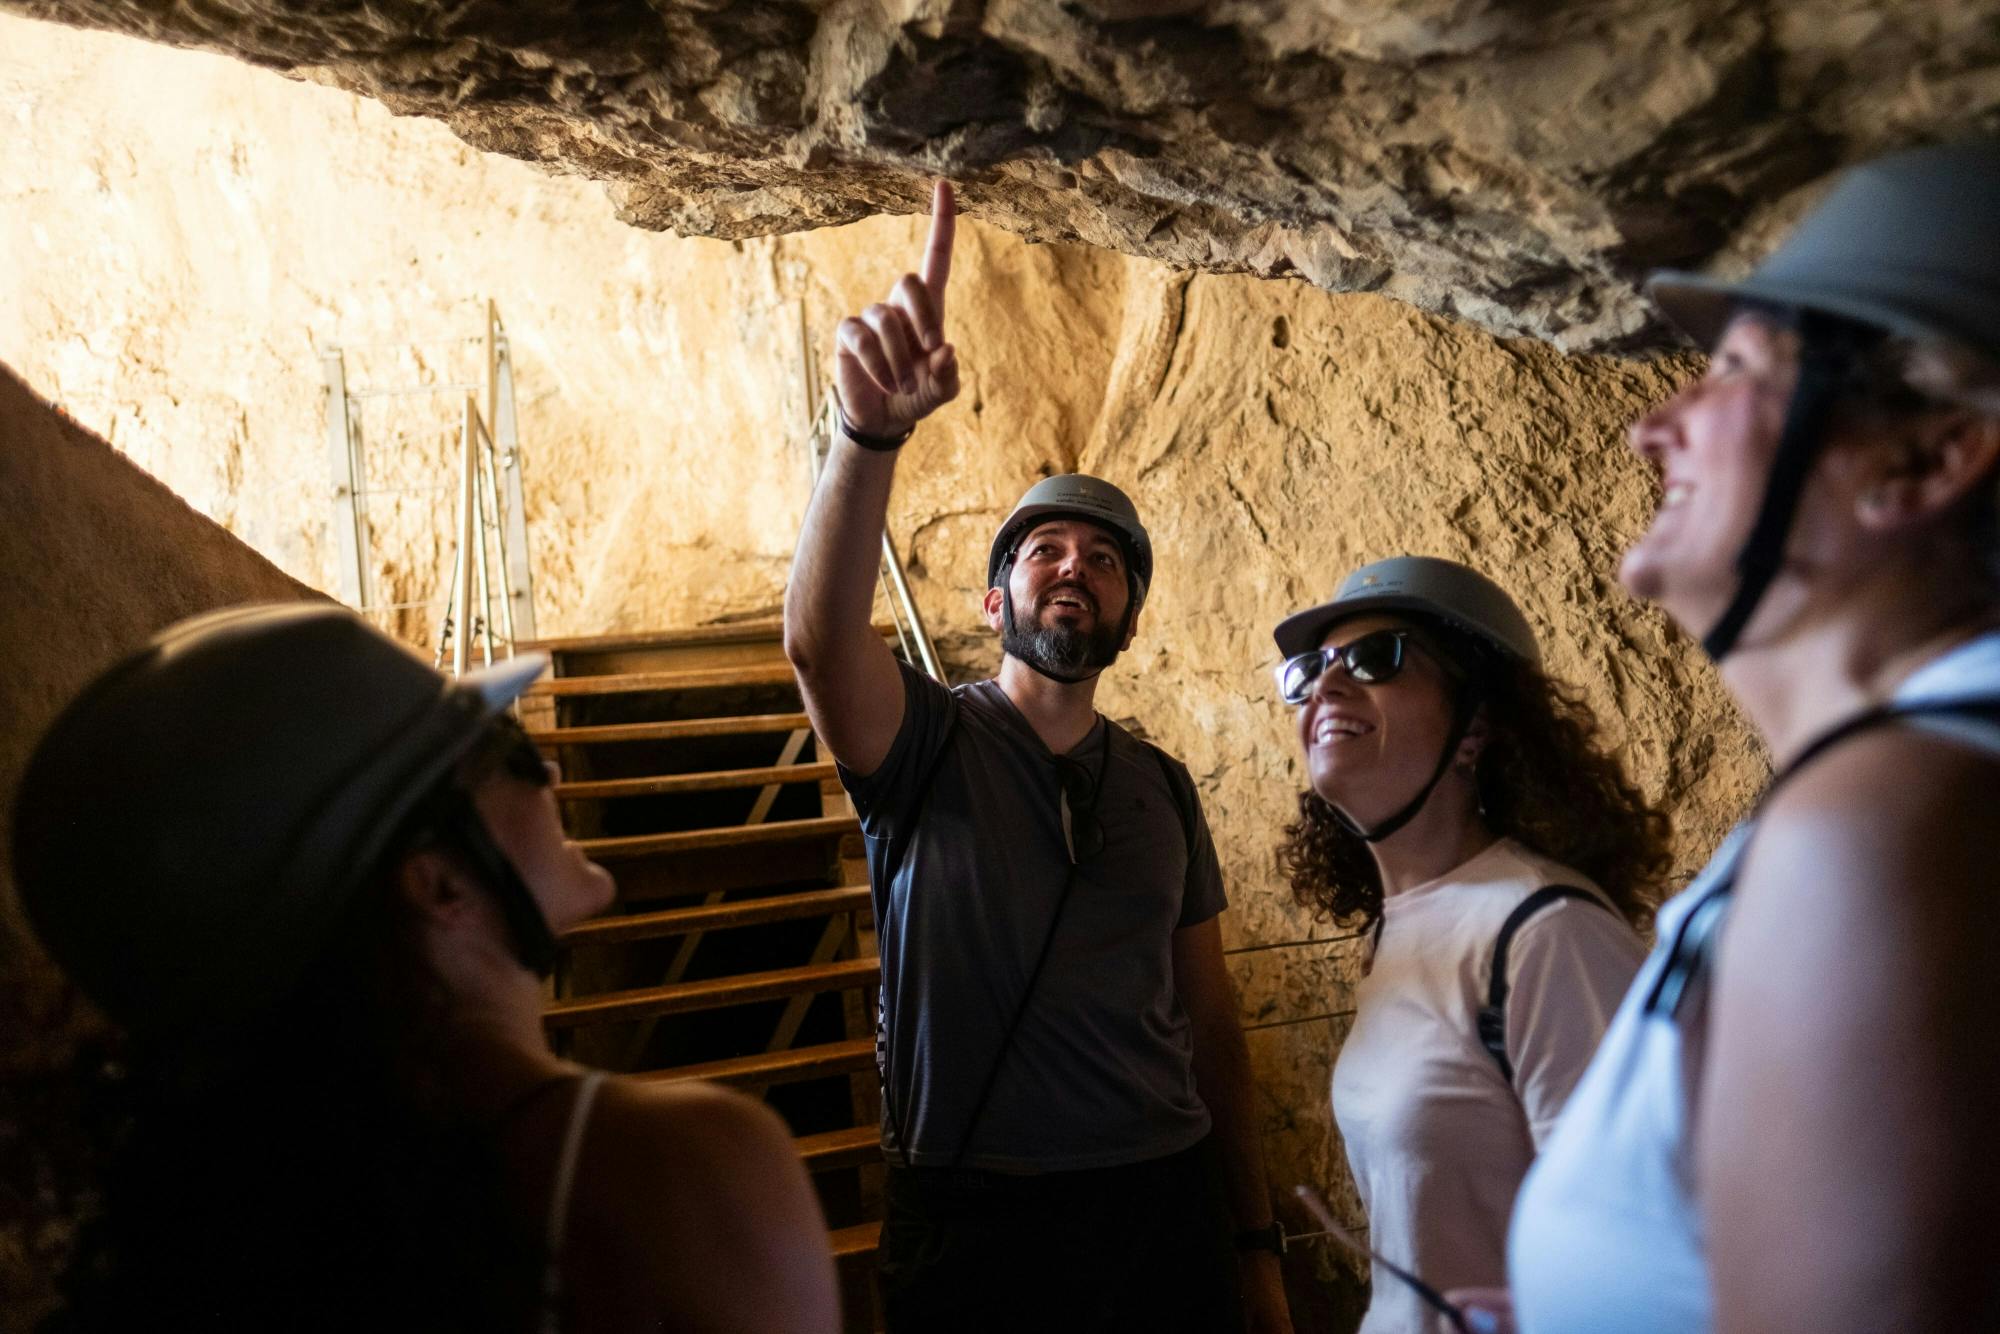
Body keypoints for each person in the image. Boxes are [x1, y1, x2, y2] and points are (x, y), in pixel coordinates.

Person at [12, 604, 839, 1333]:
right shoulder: (687, 1169)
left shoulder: (232, 1234)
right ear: (437, 881)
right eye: (508, 754)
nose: (548, 772)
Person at [1503, 139, 2000, 1333]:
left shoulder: (1884, 825)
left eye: (1730, 369)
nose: (1648, 426)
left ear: (1925, 456)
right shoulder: (1904, 786)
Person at [782, 181, 1293, 1334]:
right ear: (993, 596)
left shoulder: (1160, 785)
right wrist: (867, 434)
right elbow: (818, 647)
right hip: (976, 1214)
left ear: (1126, 615)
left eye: (1104, 559)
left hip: (1157, 1200)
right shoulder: (923, 740)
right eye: (1043, 549)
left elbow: (1209, 1024)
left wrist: (1253, 1243)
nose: (1073, 567)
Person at [1271, 557, 1665, 1333]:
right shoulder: (1393, 931)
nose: (1327, 685)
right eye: (1309, 668)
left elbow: (1640, 1252)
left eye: (1376, 658)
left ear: (1476, 728)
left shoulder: (1548, 931)